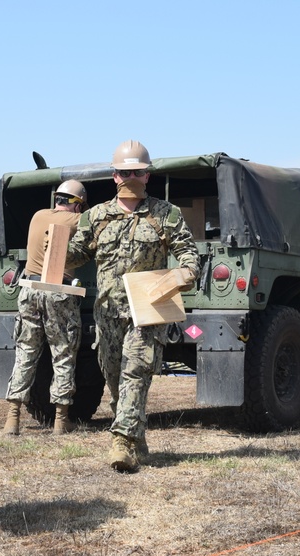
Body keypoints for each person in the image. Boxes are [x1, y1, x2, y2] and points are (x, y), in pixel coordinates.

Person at [65, 140, 199, 472]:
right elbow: (75, 255)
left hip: (148, 309)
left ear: (147, 175)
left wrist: (185, 272)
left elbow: (188, 255)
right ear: (114, 176)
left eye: (136, 171)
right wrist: (50, 248)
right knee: (115, 382)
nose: (130, 177)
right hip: (107, 312)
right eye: (124, 172)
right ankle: (137, 439)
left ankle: (121, 441)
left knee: (135, 373)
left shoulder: (166, 215)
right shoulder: (96, 216)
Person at [3, 180, 88, 435]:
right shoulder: (76, 221)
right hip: (58, 292)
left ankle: (12, 419)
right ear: (78, 204)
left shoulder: (38, 215)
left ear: (57, 199)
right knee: (62, 354)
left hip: (29, 289)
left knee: (26, 353)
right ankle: (62, 421)